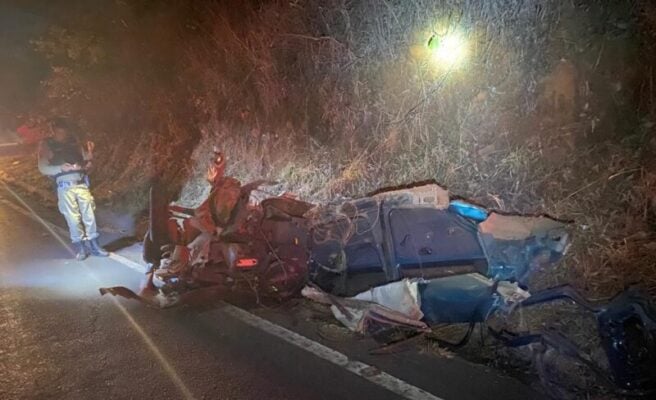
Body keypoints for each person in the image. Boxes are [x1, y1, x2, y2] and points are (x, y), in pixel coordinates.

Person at [37, 118, 108, 260]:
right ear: (54, 131)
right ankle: (81, 247)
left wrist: (89, 159)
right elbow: (43, 168)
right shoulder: (47, 145)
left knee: (89, 216)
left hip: (81, 183)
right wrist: (60, 168)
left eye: (65, 131)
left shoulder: (74, 143)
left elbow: (88, 162)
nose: (63, 134)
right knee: (73, 218)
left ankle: (95, 245)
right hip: (65, 187)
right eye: (59, 131)